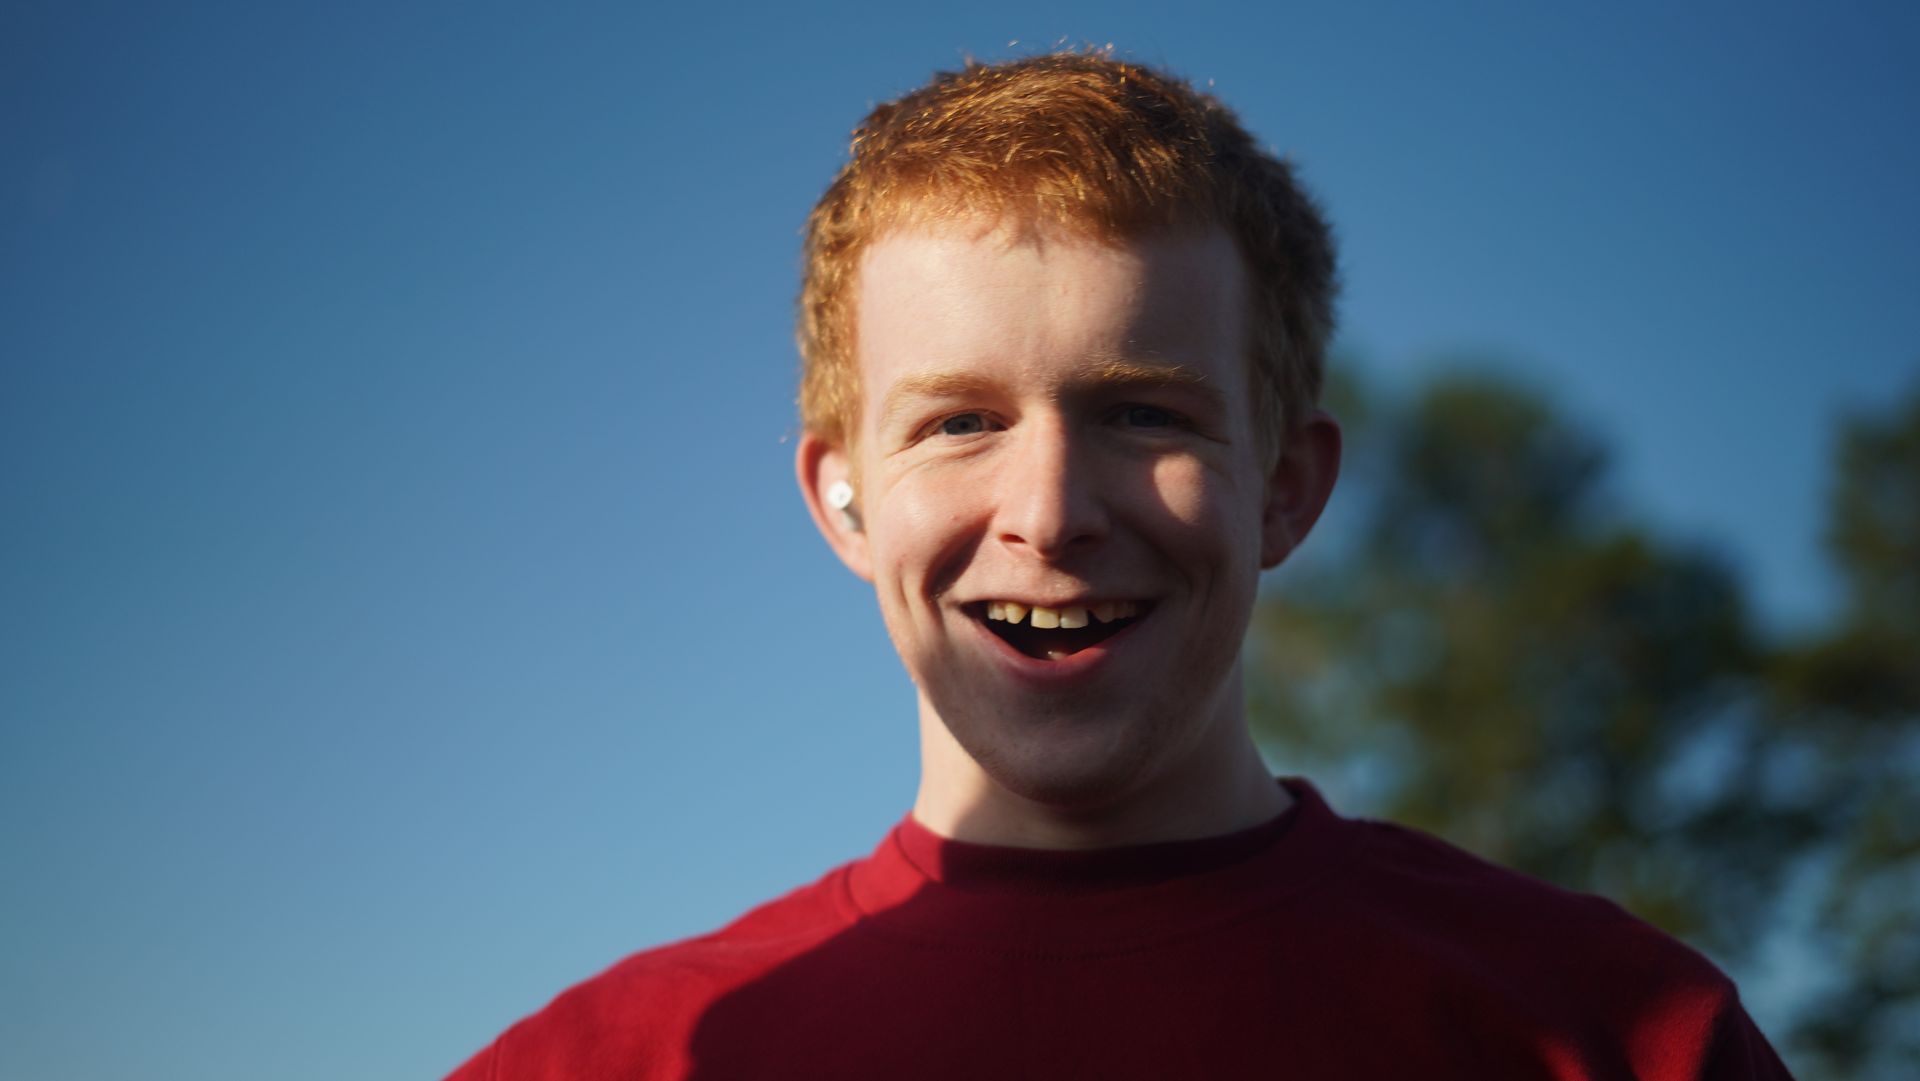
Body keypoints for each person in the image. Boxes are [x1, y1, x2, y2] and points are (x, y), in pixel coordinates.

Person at [445, 51, 1792, 1080]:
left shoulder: (1619, 1032)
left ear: (1285, 486)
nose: (1050, 508)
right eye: (959, 420)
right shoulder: (612, 1059)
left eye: (1145, 412)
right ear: (841, 498)